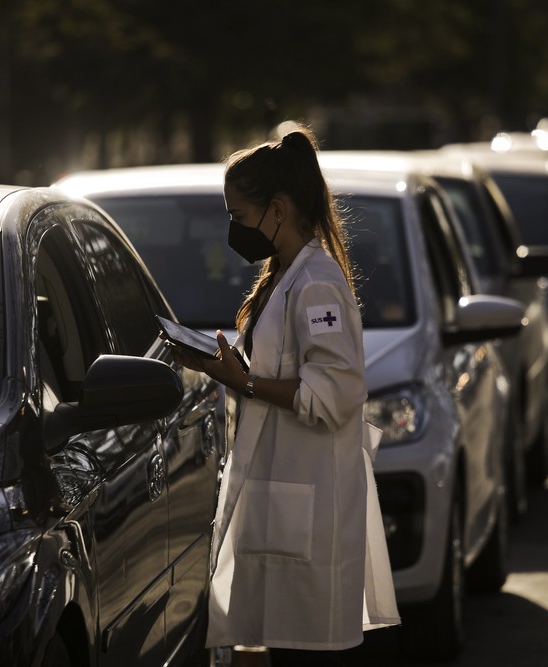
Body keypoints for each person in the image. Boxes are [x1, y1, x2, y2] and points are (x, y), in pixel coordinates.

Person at [173, 127, 399, 667]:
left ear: (277, 208)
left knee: (308, 652)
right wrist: (222, 366)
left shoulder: (317, 283)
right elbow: (287, 371)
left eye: (239, 216)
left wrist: (242, 381)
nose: (234, 229)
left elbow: (333, 396)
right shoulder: (285, 275)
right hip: (282, 494)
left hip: (310, 505)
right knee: (273, 643)